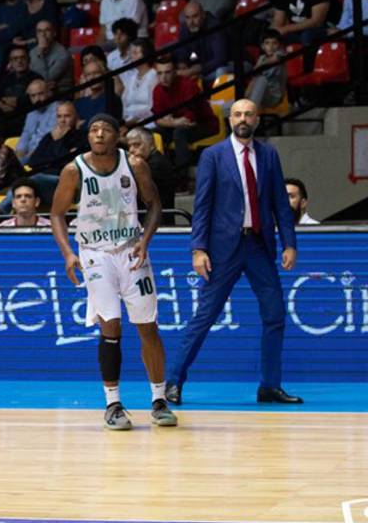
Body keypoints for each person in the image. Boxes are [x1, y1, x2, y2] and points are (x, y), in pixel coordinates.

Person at [166, 99, 301, 406]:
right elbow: (202, 206)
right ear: (230, 119)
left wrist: (290, 243)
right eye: (238, 114)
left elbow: (280, 202)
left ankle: (269, 386)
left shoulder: (268, 154)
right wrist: (198, 248)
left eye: (249, 114)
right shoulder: (213, 155)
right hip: (223, 249)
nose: (243, 118)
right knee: (205, 316)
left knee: (275, 314)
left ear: (257, 119)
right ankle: (173, 381)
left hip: (258, 245)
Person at [51, 113, 177, 430]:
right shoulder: (73, 170)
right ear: (88, 136)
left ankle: (159, 399)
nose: (99, 134)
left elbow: (155, 205)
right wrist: (68, 253)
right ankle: (113, 404)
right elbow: (56, 214)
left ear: (116, 135)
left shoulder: (134, 165)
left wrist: (145, 241)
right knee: (111, 328)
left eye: (106, 129)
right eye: (93, 129)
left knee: (148, 326)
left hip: (131, 249)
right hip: (95, 254)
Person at [152, 56, 218, 175]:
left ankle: (182, 178)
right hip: (178, 126)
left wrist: (169, 120)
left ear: (175, 72)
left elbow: (189, 119)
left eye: (167, 72)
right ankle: (164, 174)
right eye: (159, 73)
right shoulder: (157, 90)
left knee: (179, 133)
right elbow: (157, 119)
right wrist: (175, 122)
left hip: (205, 124)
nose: (163, 77)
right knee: (156, 133)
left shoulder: (188, 85)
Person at [173, 1, 231, 87]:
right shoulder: (186, 27)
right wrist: (182, 63)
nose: (191, 22)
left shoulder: (215, 26)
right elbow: (182, 51)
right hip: (207, 68)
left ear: (203, 15)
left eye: (195, 16)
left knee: (221, 71)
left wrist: (198, 69)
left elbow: (221, 59)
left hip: (234, 63)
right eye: (187, 17)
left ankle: (220, 101)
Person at [126, 126, 176, 224]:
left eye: (136, 145)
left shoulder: (157, 164)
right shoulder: (147, 162)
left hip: (158, 224)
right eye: (129, 146)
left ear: (151, 144)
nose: (131, 150)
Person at [117, 38, 157, 125]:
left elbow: (152, 107)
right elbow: (124, 102)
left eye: (135, 53)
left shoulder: (154, 76)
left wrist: (134, 120)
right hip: (129, 121)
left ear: (146, 55)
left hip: (148, 121)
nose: (131, 56)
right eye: (131, 53)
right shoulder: (131, 77)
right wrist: (125, 120)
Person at [15, 79, 56, 162]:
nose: (37, 99)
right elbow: (25, 135)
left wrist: (27, 158)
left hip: (45, 156)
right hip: (28, 155)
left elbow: (46, 139)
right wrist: (19, 153)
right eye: (33, 96)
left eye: (40, 94)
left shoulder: (57, 110)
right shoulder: (31, 113)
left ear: (48, 93)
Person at [247, 29, 287, 109]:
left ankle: (250, 113)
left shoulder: (280, 54)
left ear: (279, 45)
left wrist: (261, 64)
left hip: (274, 96)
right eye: (267, 43)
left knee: (261, 79)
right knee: (256, 79)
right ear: (262, 46)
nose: (271, 46)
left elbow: (274, 59)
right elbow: (254, 73)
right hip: (259, 94)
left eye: (274, 43)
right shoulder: (262, 58)